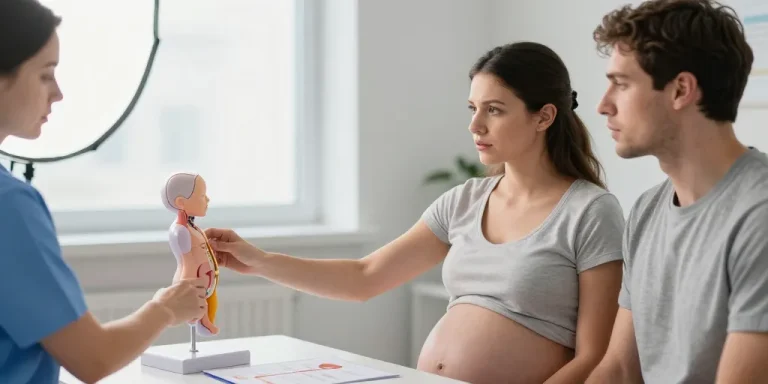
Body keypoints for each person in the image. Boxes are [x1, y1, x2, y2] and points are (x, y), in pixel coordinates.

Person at [206, 41, 626, 384]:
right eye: (472, 108)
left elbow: (596, 356)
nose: (475, 125)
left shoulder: (589, 212)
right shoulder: (463, 201)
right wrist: (257, 260)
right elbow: (364, 277)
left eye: (494, 110)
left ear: (544, 116)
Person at [0, 1, 209, 383]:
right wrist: (166, 308)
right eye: (46, 75)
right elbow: (93, 358)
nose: (58, 93)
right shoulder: (9, 206)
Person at [584, 0, 768, 383]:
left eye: (621, 83)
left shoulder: (759, 214)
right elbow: (619, 369)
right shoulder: (646, 212)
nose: (603, 105)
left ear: (681, 90)